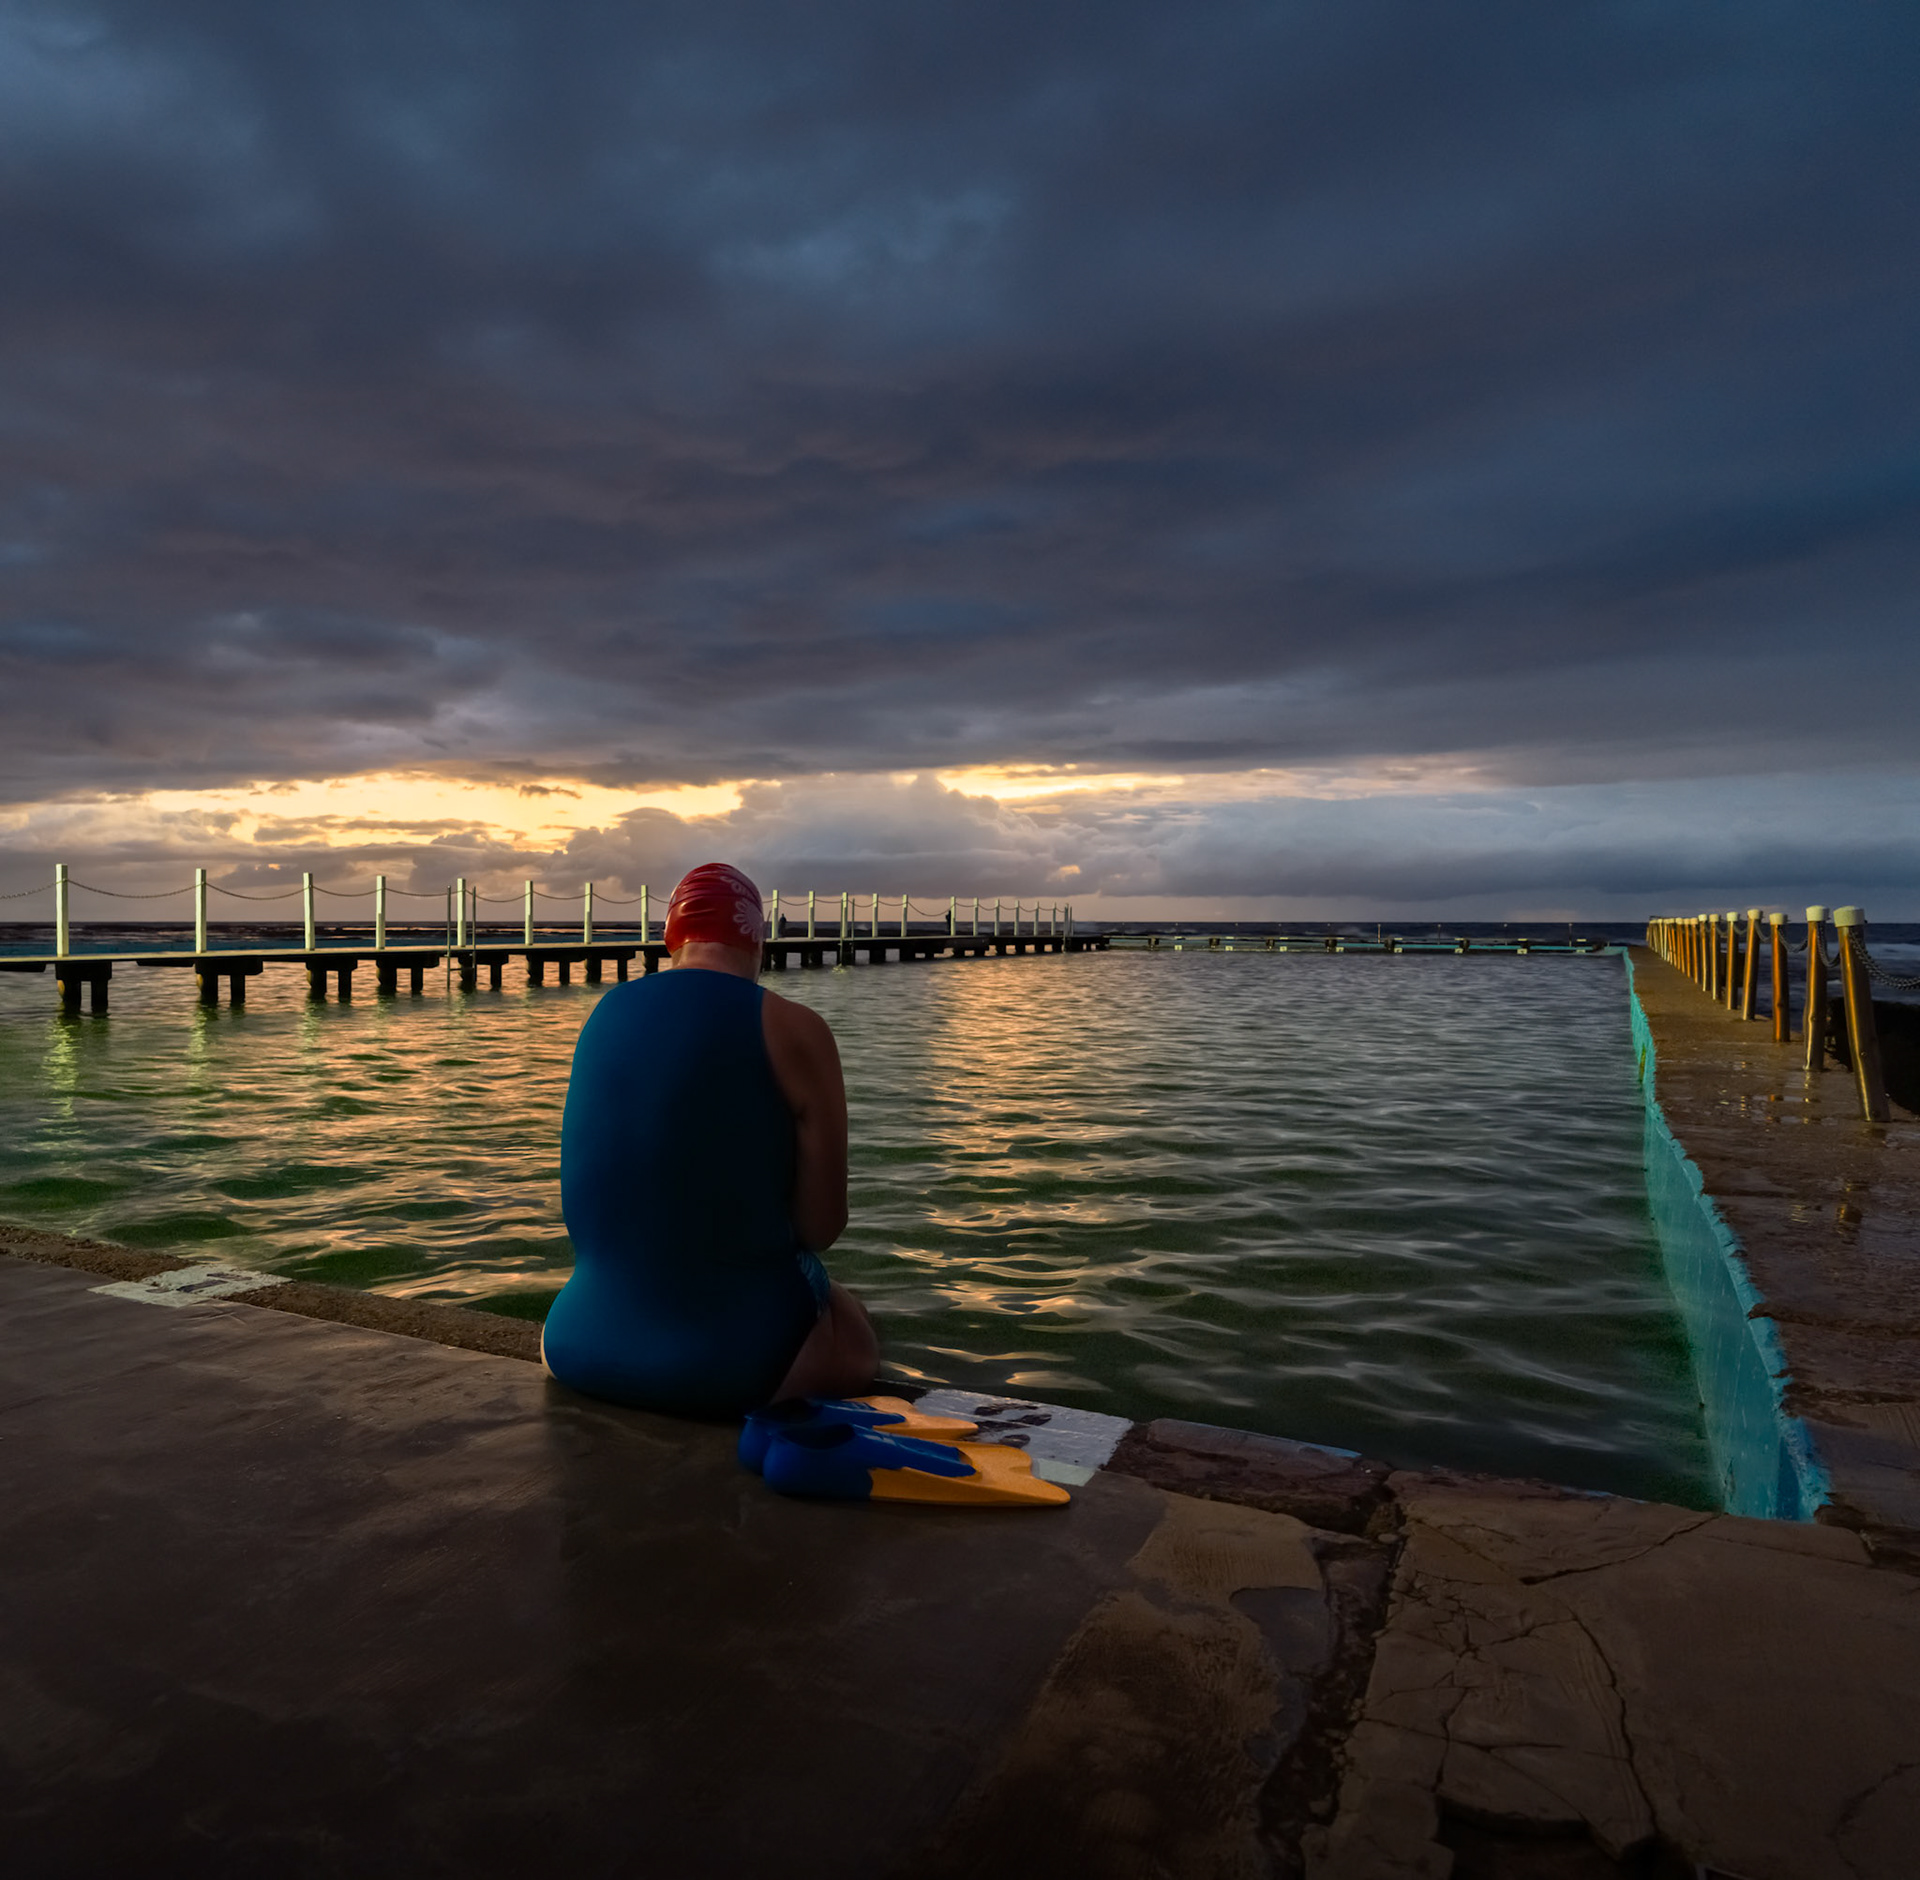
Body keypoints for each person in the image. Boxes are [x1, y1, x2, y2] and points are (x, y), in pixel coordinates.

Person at [541, 862, 880, 1418]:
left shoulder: (604, 1013)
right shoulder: (795, 1027)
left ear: (672, 937)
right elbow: (822, 1229)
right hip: (734, 1369)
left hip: (573, 1343)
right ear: (758, 941)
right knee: (853, 1324)